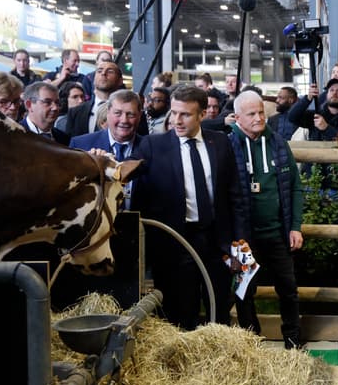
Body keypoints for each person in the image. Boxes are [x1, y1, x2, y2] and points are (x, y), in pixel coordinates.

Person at [131, 85, 248, 329]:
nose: (176, 120)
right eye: (174, 113)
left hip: (217, 241)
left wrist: (239, 241)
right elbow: (140, 201)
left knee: (219, 310)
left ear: (202, 115)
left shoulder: (221, 143)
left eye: (185, 114)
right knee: (180, 314)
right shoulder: (153, 146)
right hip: (174, 244)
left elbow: (235, 195)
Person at [228, 91, 305, 349]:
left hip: (278, 232)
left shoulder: (279, 143)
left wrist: (295, 227)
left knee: (288, 289)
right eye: (251, 114)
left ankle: (293, 341)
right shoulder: (228, 145)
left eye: (261, 112)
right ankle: (252, 344)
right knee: (244, 291)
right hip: (241, 237)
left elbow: (295, 187)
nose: (259, 118)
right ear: (237, 117)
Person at [65, 61, 125, 137]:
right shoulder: (75, 112)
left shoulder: (131, 112)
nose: (103, 73)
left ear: (120, 81)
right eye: (99, 71)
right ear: (93, 80)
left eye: (110, 71)